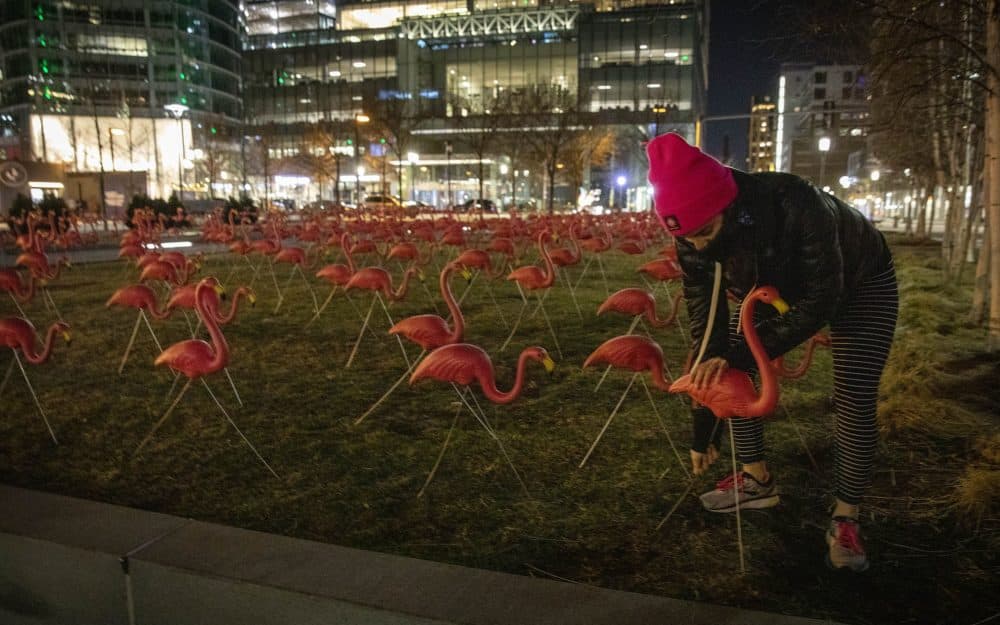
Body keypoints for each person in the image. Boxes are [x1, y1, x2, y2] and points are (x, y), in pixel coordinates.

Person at [646, 133, 898, 572]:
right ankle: (756, 479)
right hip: (771, 287)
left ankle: (846, 517)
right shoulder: (692, 239)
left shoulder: (796, 204)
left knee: (854, 397)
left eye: (704, 232)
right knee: (732, 371)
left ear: (724, 204)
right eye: (687, 238)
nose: (698, 246)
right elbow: (705, 331)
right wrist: (702, 426)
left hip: (859, 281)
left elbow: (823, 299)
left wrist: (741, 354)